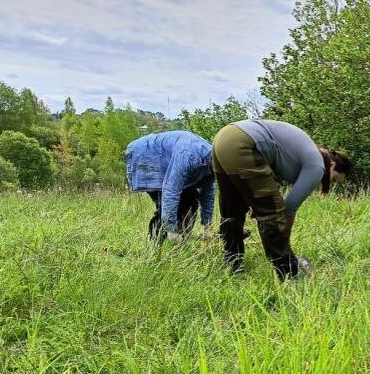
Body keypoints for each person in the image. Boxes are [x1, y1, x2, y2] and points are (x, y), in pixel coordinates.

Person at [211, 119, 351, 279]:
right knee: (272, 214)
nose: (329, 183)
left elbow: (267, 177)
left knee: (232, 209)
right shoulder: (317, 166)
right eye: (334, 179)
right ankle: (289, 275)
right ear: (332, 164)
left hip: (223, 137)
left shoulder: (305, 152)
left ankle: (233, 266)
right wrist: (284, 243)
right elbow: (288, 209)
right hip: (245, 142)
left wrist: (256, 202)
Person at [125, 130, 216, 242]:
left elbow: (208, 193)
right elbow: (170, 191)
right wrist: (171, 229)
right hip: (147, 155)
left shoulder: (216, 163)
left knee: (191, 198)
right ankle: (157, 246)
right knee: (164, 202)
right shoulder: (189, 156)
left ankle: (180, 242)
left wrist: (207, 226)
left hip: (171, 157)